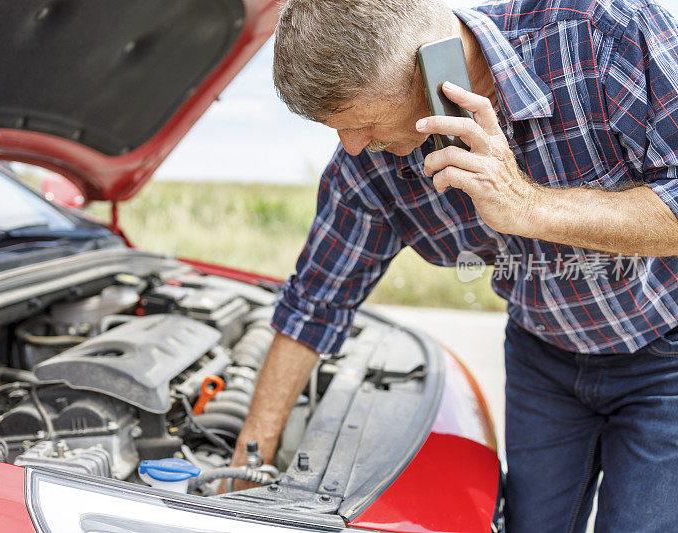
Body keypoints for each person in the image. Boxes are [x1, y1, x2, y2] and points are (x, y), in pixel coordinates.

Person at [227, 0, 678, 529]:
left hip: (664, 355)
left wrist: (528, 205)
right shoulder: (369, 167)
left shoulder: (605, 34)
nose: (351, 147)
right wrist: (248, 463)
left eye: (363, 122)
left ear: (434, 64)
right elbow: (314, 304)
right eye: (337, 130)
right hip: (542, 358)